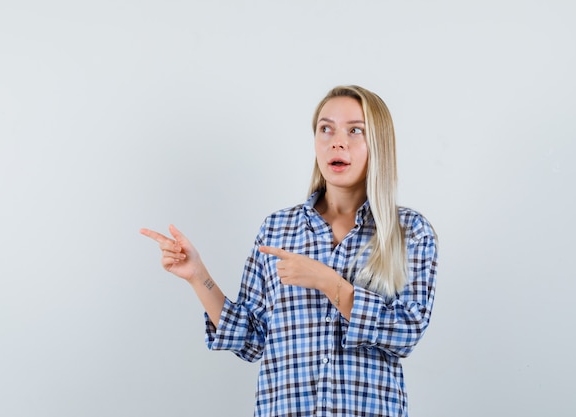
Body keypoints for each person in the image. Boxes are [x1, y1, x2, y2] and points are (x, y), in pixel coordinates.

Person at [140, 85, 438, 417]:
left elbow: (406, 333)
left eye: (356, 130)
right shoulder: (278, 229)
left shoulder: (410, 232)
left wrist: (330, 283)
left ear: (379, 143)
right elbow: (251, 339)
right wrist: (198, 276)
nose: (337, 141)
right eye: (326, 129)